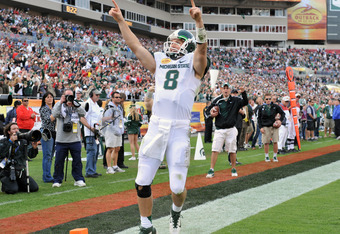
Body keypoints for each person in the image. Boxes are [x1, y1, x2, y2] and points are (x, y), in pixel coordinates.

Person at [109, 0, 208, 233]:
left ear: (188, 45)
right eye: (172, 40)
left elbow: (202, 49)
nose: (172, 44)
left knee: (177, 186)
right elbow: (136, 47)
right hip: (156, 126)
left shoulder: (195, 66)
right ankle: (146, 225)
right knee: (142, 181)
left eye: (178, 41)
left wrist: (199, 22)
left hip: (179, 128)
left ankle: (175, 213)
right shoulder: (160, 63)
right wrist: (121, 21)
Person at [51, 89, 94, 188]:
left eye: (70, 96)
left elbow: (83, 113)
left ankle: (78, 179)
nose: (68, 98)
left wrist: (75, 105)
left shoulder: (76, 104)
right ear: (63, 96)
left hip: (75, 139)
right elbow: (54, 114)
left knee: (77, 161)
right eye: (67, 96)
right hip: (61, 139)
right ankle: (57, 180)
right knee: (59, 161)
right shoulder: (59, 105)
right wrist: (60, 102)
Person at [206, 84, 248, 179]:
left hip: (231, 129)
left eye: (227, 88)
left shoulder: (235, 100)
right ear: (221, 89)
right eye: (224, 88)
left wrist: (243, 92)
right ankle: (211, 169)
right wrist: (211, 114)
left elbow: (245, 102)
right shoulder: (217, 100)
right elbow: (207, 111)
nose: (225, 90)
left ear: (230, 89)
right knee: (215, 149)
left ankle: (233, 168)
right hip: (219, 129)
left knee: (232, 150)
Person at [0, 123, 39, 194]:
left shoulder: (23, 142)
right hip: (7, 171)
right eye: (14, 129)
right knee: (12, 190)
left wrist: (34, 148)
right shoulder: (3, 141)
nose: (16, 130)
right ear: (9, 132)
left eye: (17, 128)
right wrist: (10, 142)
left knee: (34, 188)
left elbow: (31, 155)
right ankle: (6, 184)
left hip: (20, 171)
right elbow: (2, 153)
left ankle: (17, 184)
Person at [257, 93, 285, 162]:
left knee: (275, 141)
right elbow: (259, 118)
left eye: (270, 98)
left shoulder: (275, 106)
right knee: (266, 142)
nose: (268, 100)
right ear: (264, 99)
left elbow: (282, 113)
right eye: (267, 99)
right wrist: (260, 127)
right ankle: (266, 156)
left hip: (274, 126)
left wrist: (280, 121)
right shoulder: (261, 108)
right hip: (265, 126)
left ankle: (275, 156)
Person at [102, 91, 125, 174]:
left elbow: (121, 119)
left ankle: (115, 166)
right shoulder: (109, 107)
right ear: (112, 98)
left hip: (118, 130)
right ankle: (109, 167)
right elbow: (106, 120)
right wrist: (115, 129)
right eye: (116, 97)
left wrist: (121, 128)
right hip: (110, 130)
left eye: (119, 97)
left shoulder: (120, 107)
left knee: (117, 148)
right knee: (110, 148)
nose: (118, 98)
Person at [84, 89, 102, 178]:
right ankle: (89, 171)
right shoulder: (88, 104)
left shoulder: (96, 105)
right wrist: (90, 128)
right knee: (91, 152)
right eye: (97, 95)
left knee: (95, 152)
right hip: (90, 132)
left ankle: (92, 170)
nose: (98, 96)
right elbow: (83, 118)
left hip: (96, 132)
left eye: (99, 95)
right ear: (92, 94)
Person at [39, 92, 56, 183]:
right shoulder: (43, 109)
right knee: (47, 155)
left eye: (51, 97)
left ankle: (48, 174)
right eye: (48, 97)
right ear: (44, 99)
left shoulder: (54, 108)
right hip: (46, 132)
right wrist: (56, 113)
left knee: (50, 155)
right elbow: (49, 119)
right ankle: (46, 176)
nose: (50, 99)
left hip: (53, 133)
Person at [117, 92, 128, 169]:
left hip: (120, 128)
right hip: (116, 128)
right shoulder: (116, 106)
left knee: (121, 146)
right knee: (115, 147)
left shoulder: (121, 107)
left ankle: (120, 162)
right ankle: (117, 163)